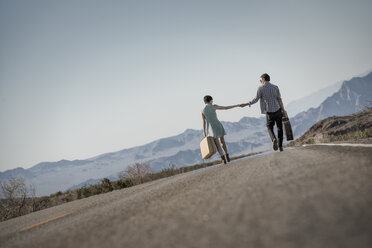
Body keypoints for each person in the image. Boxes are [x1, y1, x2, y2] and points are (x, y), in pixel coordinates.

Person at [241, 73, 287, 152]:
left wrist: (247, 104)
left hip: (269, 112)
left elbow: (256, 99)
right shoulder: (275, 87)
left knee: (269, 127)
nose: (260, 81)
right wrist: (283, 110)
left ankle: (273, 139)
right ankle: (280, 147)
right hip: (278, 110)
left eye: (260, 80)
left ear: (263, 79)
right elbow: (279, 99)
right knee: (280, 128)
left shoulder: (260, 88)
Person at [202, 95, 240, 164]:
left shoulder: (202, 110)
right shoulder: (214, 106)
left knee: (217, 144)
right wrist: (236, 105)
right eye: (212, 100)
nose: (212, 101)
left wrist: (204, 132)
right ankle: (227, 155)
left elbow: (203, 122)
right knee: (222, 142)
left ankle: (223, 158)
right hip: (217, 126)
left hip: (210, 129)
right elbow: (226, 108)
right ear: (210, 100)